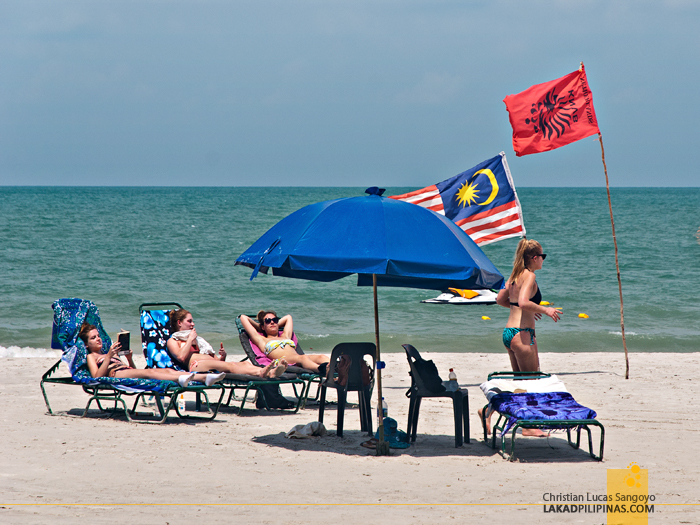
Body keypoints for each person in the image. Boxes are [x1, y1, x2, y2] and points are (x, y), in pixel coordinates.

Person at [480, 238, 561, 436]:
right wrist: (545, 309)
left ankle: (487, 411)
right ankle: (528, 427)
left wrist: (526, 310)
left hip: (509, 332)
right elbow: (524, 302)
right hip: (522, 334)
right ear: (534, 258)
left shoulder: (514, 275)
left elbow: (500, 300)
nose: (543, 260)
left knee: (520, 383)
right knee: (532, 381)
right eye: (542, 256)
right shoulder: (529, 276)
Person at [81, 323, 225, 387]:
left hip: (125, 371)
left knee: (165, 371)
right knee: (151, 372)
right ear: (86, 345)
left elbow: (132, 370)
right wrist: (108, 357)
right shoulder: (91, 357)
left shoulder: (109, 354)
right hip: (115, 374)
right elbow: (96, 377)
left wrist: (129, 359)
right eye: (93, 338)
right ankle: (190, 378)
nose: (98, 339)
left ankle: (205, 377)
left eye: (98, 336)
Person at [166, 309, 288, 379]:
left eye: (192, 321)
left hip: (208, 364)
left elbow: (217, 361)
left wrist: (222, 357)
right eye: (189, 321)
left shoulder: (197, 340)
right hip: (196, 366)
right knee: (232, 366)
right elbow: (181, 357)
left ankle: (268, 372)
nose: (193, 324)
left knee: (244, 363)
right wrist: (189, 340)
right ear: (179, 323)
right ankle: (264, 372)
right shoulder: (173, 341)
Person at [239, 310, 329, 375]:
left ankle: (337, 369)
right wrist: (260, 327)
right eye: (268, 321)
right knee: (303, 358)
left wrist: (271, 324)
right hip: (284, 361)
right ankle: (321, 370)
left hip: (298, 358)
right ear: (263, 326)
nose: (272, 322)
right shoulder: (261, 339)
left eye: (275, 320)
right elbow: (243, 317)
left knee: (322, 357)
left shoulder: (285, 336)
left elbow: (288, 317)